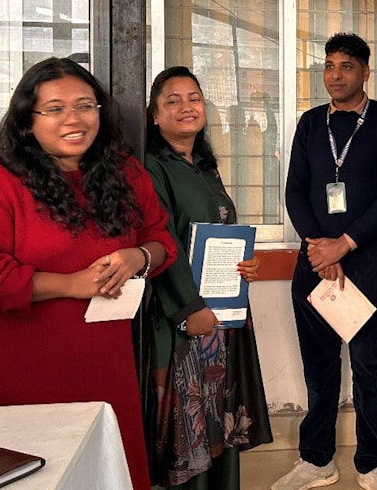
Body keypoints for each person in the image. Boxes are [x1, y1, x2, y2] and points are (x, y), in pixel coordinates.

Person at [0, 57, 177, 490]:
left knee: (103, 464)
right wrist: (69, 284)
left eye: (86, 106)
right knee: (31, 470)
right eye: (54, 109)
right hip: (20, 358)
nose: (74, 119)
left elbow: (162, 241)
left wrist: (137, 257)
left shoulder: (125, 174)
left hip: (104, 356)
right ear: (27, 120)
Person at [274, 32, 377, 490]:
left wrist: (344, 244)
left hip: (367, 262)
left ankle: (372, 463)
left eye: (346, 66)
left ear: (365, 71)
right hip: (314, 260)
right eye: (329, 66)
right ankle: (317, 460)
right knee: (319, 365)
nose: (335, 75)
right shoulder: (310, 124)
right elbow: (295, 189)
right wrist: (319, 245)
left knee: (369, 368)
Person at [142, 66, 273, 488]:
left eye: (194, 98)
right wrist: (189, 309)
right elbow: (159, 240)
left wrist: (245, 265)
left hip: (220, 320)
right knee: (190, 429)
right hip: (184, 323)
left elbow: (216, 232)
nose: (186, 107)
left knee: (219, 423)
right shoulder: (151, 167)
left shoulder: (203, 164)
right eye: (172, 100)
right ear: (154, 115)